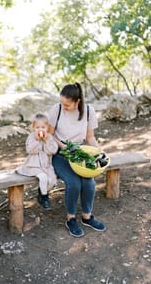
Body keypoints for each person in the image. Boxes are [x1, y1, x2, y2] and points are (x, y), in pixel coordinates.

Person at [48, 82, 106, 237]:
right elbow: (50, 135)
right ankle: (71, 219)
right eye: (62, 102)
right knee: (73, 182)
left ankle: (87, 217)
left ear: (77, 102)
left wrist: (99, 151)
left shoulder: (88, 111)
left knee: (89, 182)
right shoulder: (56, 109)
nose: (63, 106)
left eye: (67, 104)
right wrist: (63, 147)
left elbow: (90, 137)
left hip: (80, 152)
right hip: (60, 153)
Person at [16, 113, 58, 209]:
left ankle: (41, 192)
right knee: (43, 178)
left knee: (52, 180)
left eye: (43, 127)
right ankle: (44, 197)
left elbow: (52, 151)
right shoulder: (31, 137)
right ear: (33, 128)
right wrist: (37, 141)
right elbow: (30, 150)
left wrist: (47, 141)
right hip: (33, 166)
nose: (40, 130)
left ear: (47, 127)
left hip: (46, 165)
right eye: (37, 127)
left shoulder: (49, 138)